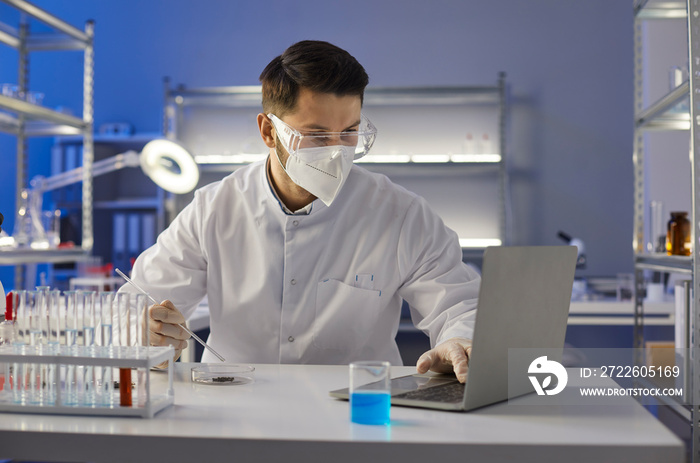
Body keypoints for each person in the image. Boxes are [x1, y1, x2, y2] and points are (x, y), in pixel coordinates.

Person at [120, 40, 480, 382]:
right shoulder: (214, 208)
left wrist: (461, 340)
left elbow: (459, 305)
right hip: (235, 405)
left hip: (357, 411)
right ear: (268, 131)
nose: (337, 151)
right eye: (317, 135)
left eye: (350, 132)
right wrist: (147, 328)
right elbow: (138, 303)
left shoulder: (401, 214)